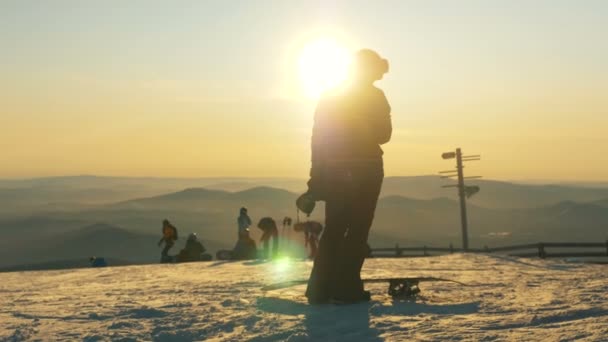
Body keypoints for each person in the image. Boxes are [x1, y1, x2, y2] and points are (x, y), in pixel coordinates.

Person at [303, 49, 392, 304]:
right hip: (368, 168)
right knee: (357, 230)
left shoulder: (330, 96)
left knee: (335, 228)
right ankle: (347, 287)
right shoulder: (376, 97)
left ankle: (320, 290)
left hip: (335, 169)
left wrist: (315, 178)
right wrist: (364, 125)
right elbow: (385, 135)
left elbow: (317, 140)